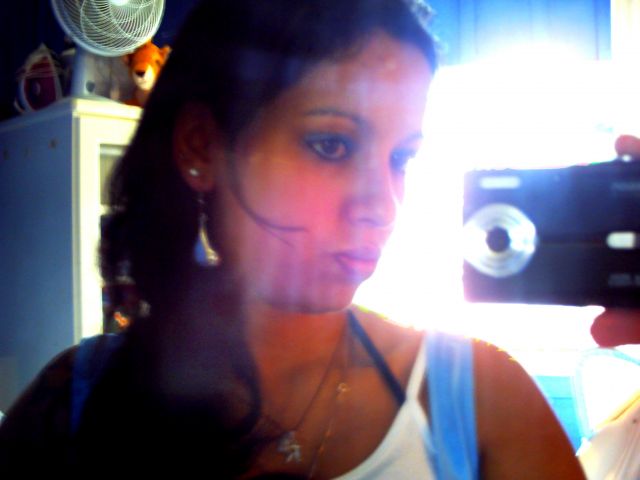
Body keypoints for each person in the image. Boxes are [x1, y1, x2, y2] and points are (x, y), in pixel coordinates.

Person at [0, 1, 586, 478]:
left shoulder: (481, 402)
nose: (382, 206)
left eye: (401, 158)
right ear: (202, 145)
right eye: (331, 145)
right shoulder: (74, 401)